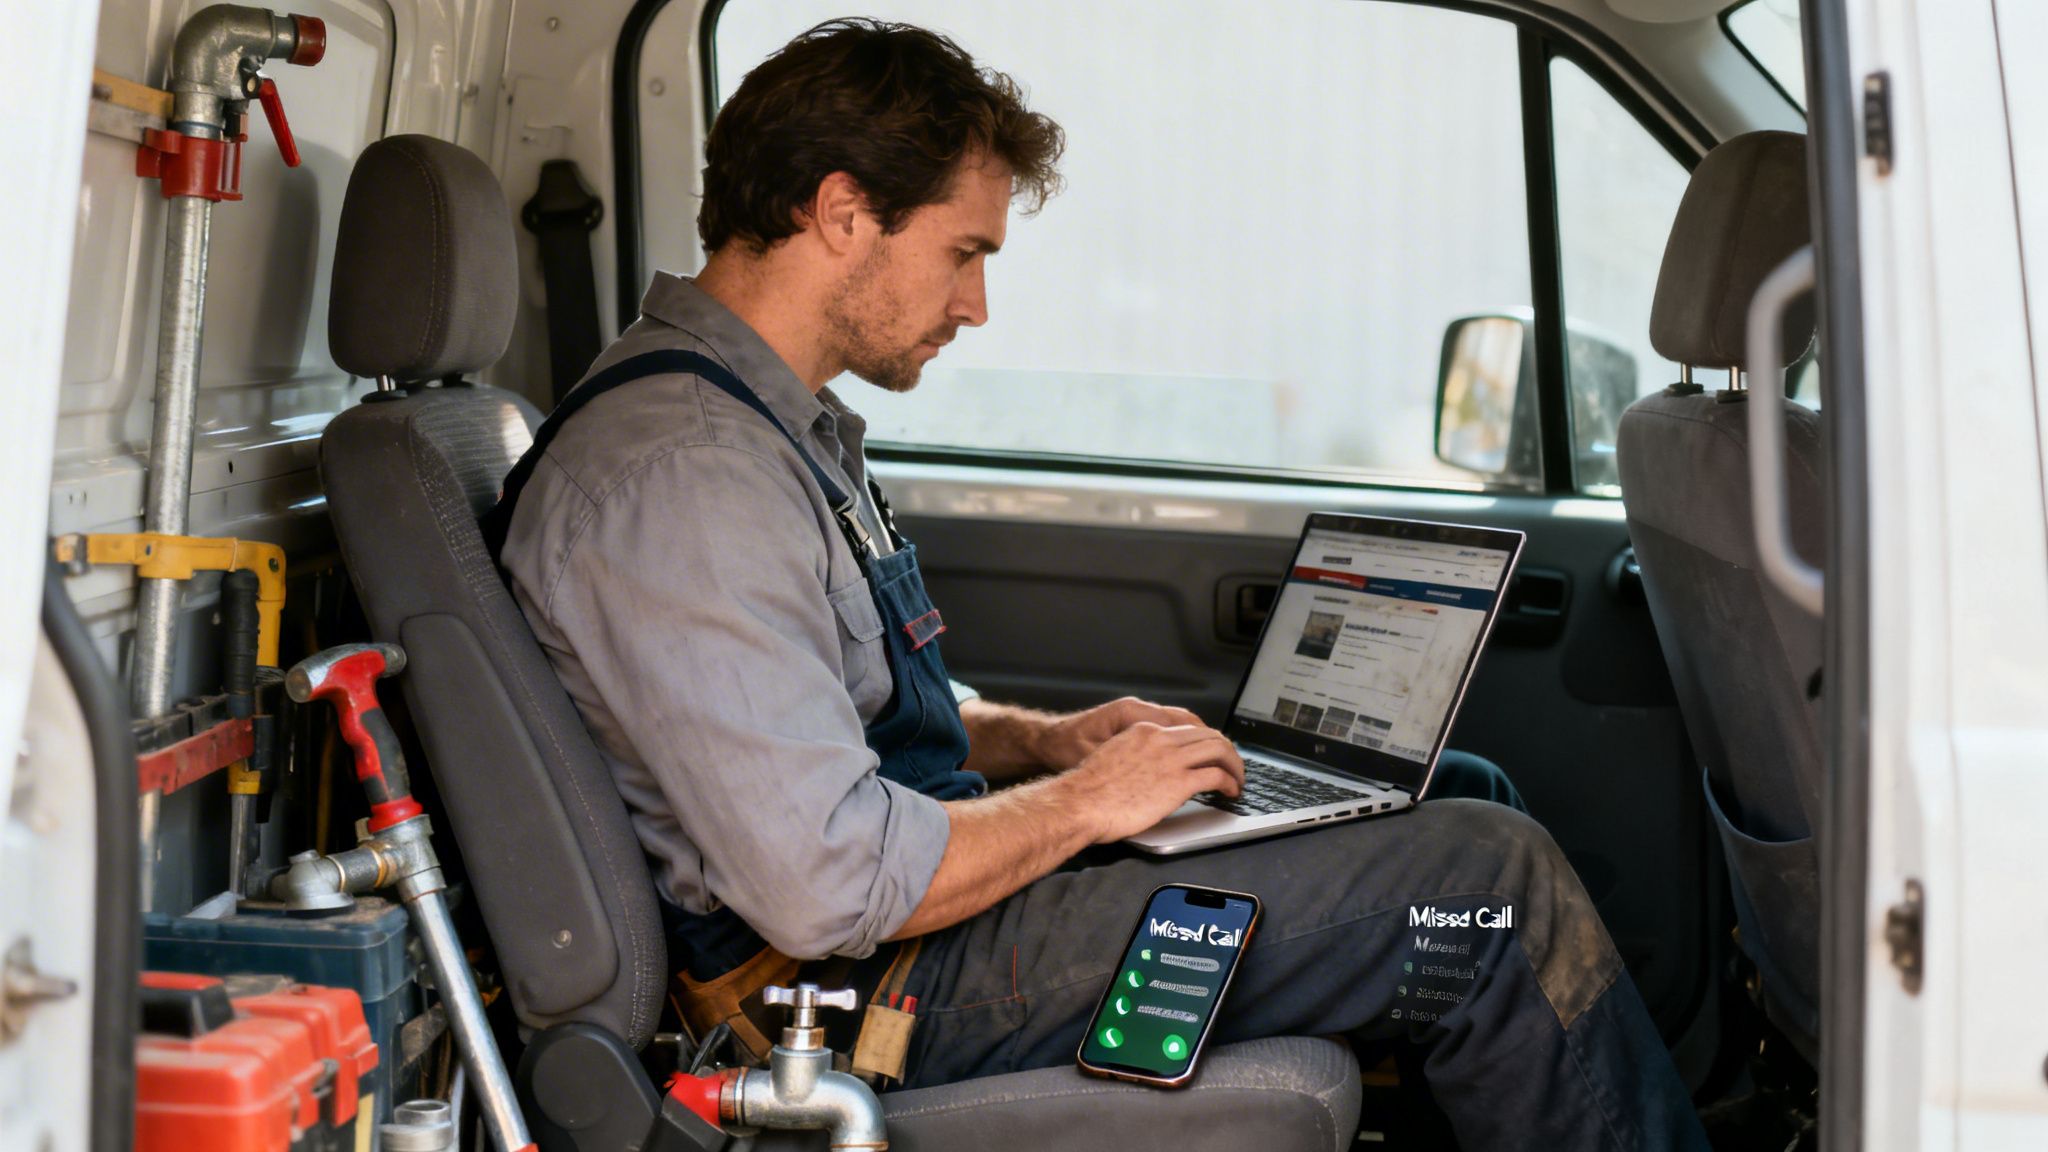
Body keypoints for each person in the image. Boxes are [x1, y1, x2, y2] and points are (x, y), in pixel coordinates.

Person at [493, 19, 1706, 1149]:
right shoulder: (682, 480)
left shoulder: (768, 431)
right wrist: (1089, 805)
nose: (975, 304)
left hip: (914, 931)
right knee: (1483, 884)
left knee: (1451, 791)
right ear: (841, 213)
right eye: (963, 252)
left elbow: (815, 722)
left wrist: (1047, 741)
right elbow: (826, 882)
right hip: (869, 991)